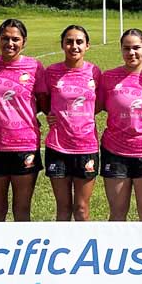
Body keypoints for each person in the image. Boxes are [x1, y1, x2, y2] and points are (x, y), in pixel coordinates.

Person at [0, 19, 47, 222]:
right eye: (5, 38)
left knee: (22, 210)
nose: (10, 43)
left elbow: (43, 101)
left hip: (25, 144)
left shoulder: (34, 66)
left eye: (15, 39)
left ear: (24, 42)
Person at [100, 28, 142, 221]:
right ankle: (116, 251)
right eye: (126, 48)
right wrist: (57, 114)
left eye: (136, 47)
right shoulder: (108, 77)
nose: (131, 53)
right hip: (115, 151)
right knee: (117, 212)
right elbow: (93, 106)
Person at [44, 25, 103, 221]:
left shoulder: (95, 72)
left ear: (87, 45)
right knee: (62, 209)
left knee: (81, 208)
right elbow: (43, 100)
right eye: (69, 41)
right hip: (57, 147)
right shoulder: (51, 72)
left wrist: (82, 116)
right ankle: (62, 250)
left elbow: (100, 104)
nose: (74, 46)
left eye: (79, 42)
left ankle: (83, 249)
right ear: (62, 44)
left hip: (86, 147)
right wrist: (50, 114)